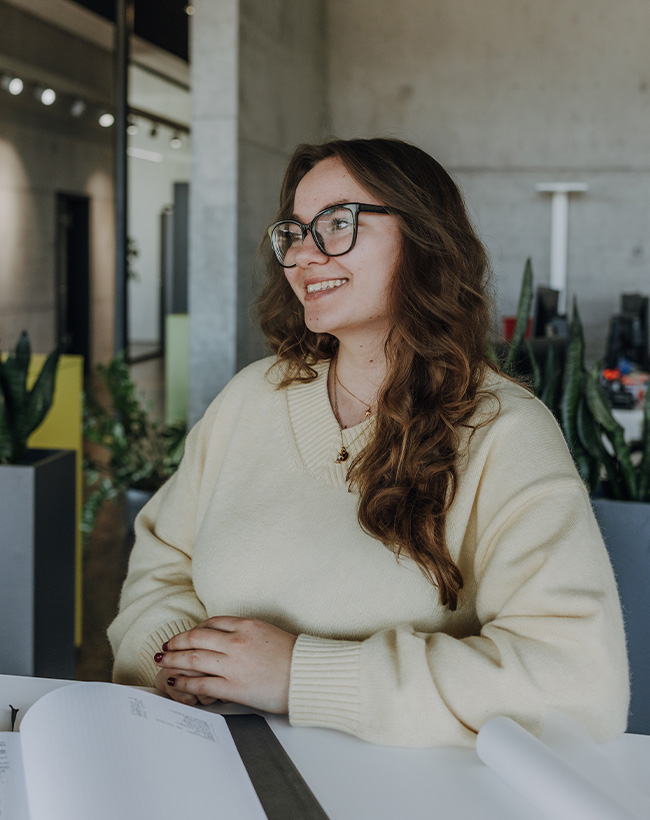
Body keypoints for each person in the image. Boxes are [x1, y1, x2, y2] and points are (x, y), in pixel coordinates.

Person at [108, 137, 629, 747]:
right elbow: (163, 562)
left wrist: (300, 675)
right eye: (295, 232)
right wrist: (174, 658)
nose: (304, 253)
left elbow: (578, 680)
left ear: (425, 239)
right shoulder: (252, 397)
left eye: (337, 223)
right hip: (211, 757)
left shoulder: (504, 431)